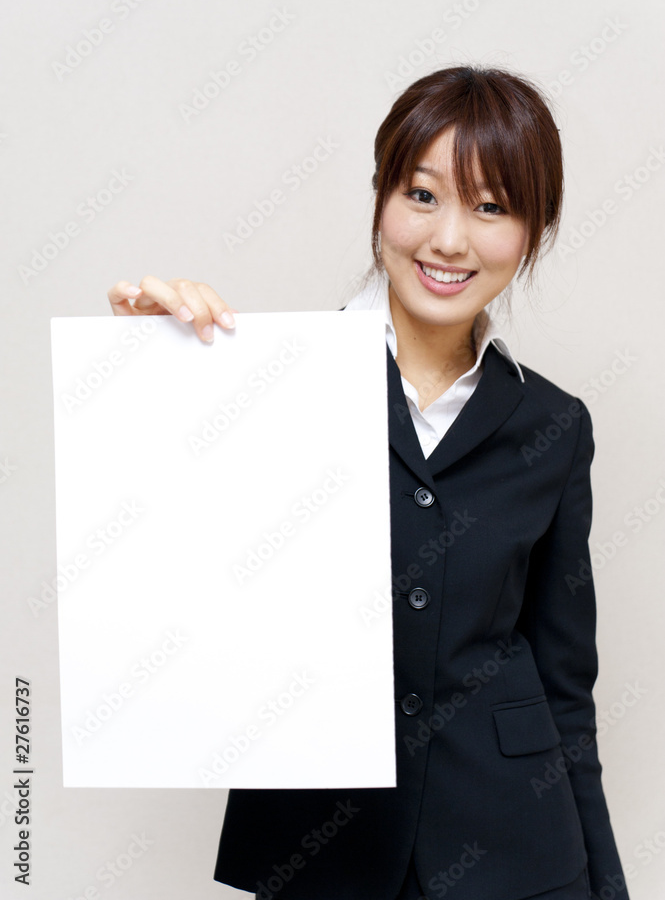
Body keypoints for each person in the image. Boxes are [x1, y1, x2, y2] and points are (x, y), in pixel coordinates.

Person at [108, 65, 630, 900]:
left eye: (491, 206)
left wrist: (607, 885)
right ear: (380, 198)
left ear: (532, 233)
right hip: (323, 850)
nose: (449, 239)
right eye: (422, 195)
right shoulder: (261, 385)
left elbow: (566, 686)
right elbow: (166, 574)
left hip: (518, 854)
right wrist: (150, 372)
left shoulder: (554, 428)